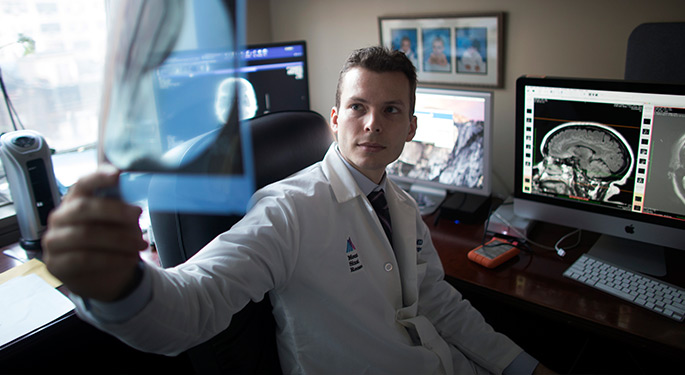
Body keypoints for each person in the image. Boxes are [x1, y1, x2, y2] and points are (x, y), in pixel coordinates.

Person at [43, 46, 552, 374]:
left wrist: (522, 366)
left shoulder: (396, 202)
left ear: (411, 128)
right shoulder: (287, 211)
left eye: (391, 110)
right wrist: (118, 286)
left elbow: (436, 300)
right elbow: (194, 305)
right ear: (335, 118)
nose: (372, 124)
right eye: (358, 107)